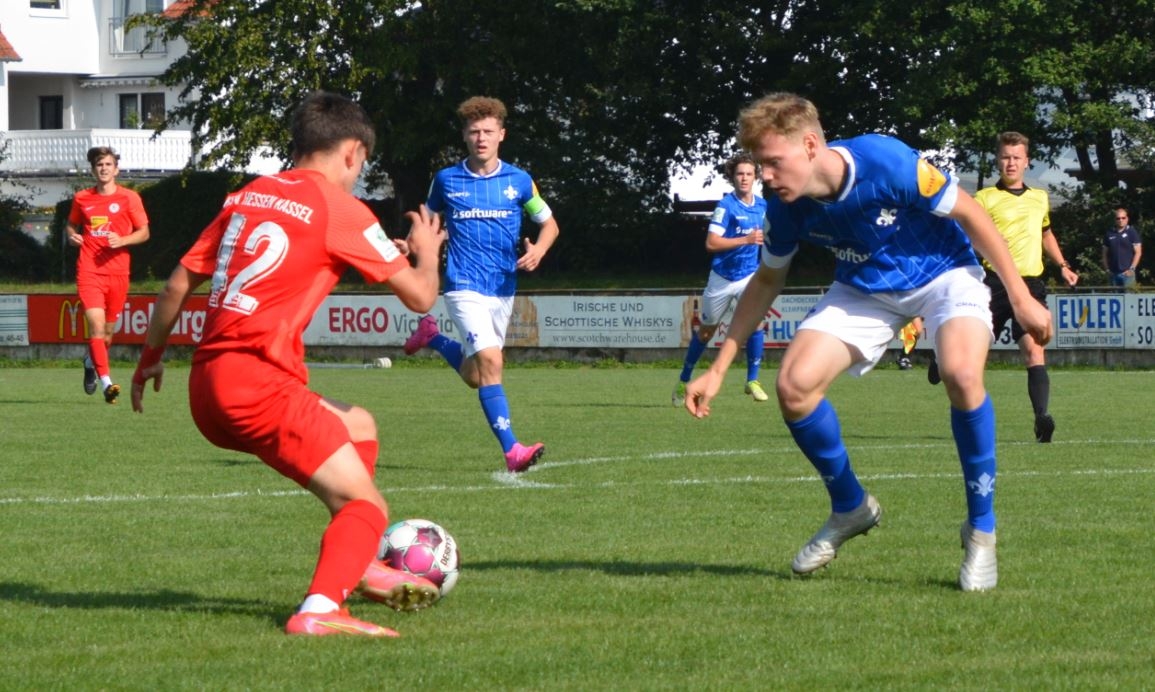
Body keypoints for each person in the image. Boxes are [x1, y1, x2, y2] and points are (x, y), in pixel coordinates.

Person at [684, 93, 1052, 592]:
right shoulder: (785, 208)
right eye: (760, 165)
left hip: (944, 274)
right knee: (794, 387)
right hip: (864, 289)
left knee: (962, 374)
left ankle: (981, 531)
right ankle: (850, 507)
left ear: (810, 145)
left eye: (773, 162)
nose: (765, 176)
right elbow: (767, 280)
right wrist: (718, 367)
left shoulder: (885, 161)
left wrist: (1020, 296)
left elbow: (971, 213)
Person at [130, 91, 446, 637]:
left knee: (359, 424)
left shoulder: (247, 195)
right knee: (366, 505)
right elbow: (420, 296)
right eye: (362, 165)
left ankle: (356, 561)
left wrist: (150, 359)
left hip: (207, 386)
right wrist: (427, 250)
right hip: (258, 387)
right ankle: (320, 609)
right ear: (352, 152)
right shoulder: (341, 209)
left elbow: (177, 285)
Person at [402, 96, 560, 473]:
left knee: (477, 375)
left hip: (502, 288)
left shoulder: (520, 182)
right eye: (474, 132)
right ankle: (513, 451)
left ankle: (432, 337)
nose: (481, 138)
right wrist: (408, 246)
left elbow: (550, 224)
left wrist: (539, 249)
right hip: (463, 285)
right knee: (492, 361)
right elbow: (426, 226)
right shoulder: (446, 180)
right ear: (464, 136)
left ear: (502, 134)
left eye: (488, 131)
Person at [929, 132, 1077, 444]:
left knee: (1034, 351)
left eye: (1016, 157)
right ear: (998, 161)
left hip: (1030, 285)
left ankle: (1042, 419)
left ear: (1026, 162)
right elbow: (966, 238)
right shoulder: (984, 199)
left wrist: (1063, 265)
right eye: (1006, 157)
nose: (1011, 163)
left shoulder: (1040, 198)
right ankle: (942, 357)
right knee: (971, 355)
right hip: (993, 284)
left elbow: (1046, 233)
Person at [672, 152, 769, 406]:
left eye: (749, 174)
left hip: (749, 275)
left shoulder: (763, 206)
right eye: (740, 174)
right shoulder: (726, 207)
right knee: (706, 332)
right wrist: (746, 239)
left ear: (756, 177)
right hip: (722, 278)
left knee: (756, 323)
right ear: (732, 178)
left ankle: (753, 380)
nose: (744, 178)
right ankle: (684, 379)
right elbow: (711, 243)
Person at [66, 146, 150, 404]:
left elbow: (144, 232)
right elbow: (70, 225)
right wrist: (72, 236)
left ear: (116, 170)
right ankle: (107, 383)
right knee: (96, 326)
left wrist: (122, 240)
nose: (103, 168)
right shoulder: (82, 198)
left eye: (108, 164)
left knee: (108, 333)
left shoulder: (130, 198)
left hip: (118, 272)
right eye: (99, 165)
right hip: (89, 270)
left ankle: (90, 362)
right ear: (93, 170)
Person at [1103, 206, 1142, 288]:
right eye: (1118, 218)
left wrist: (1132, 269)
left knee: (1129, 296)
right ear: (1115, 220)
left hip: (1127, 275)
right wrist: (1107, 270)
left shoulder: (1132, 232)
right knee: (1114, 296)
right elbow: (1104, 253)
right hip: (1113, 274)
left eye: (1123, 218)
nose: (1121, 220)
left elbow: (1138, 252)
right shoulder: (1109, 233)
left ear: (1127, 219)